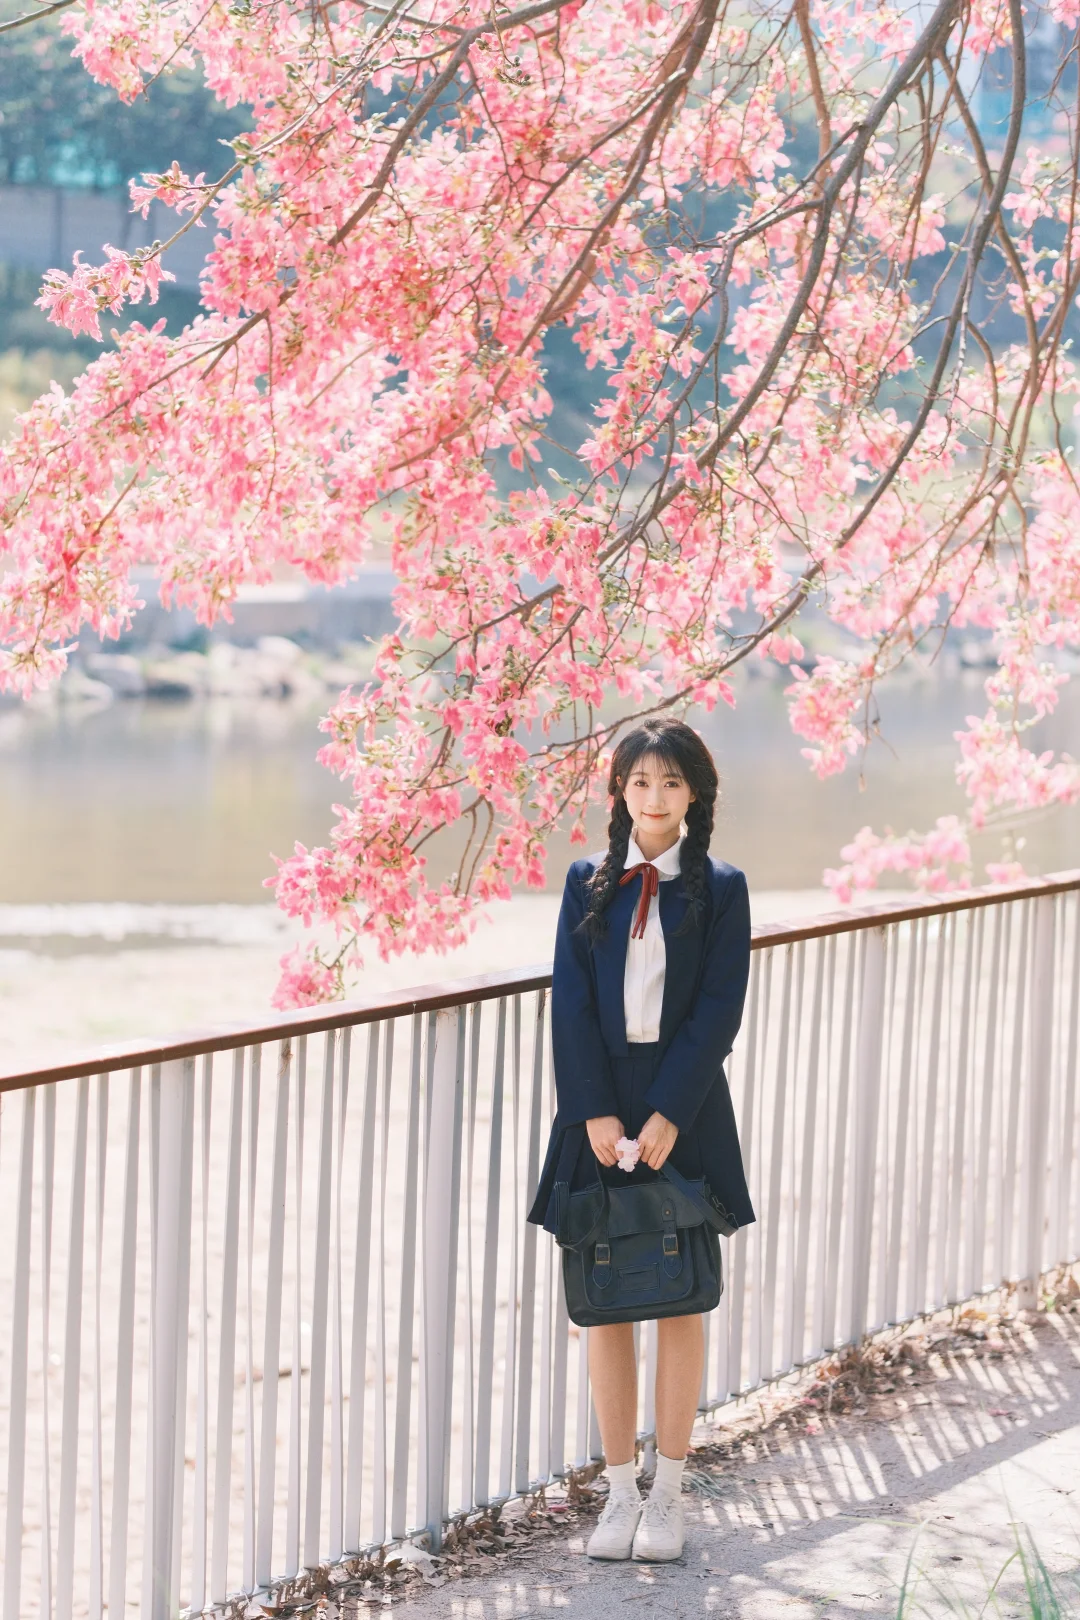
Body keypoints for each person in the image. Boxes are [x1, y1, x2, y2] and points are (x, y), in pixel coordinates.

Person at [527, 716, 755, 1562]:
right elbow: (571, 1004)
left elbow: (718, 1012)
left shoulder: (721, 887)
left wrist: (667, 1114)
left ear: (695, 792)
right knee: (606, 1297)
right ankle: (619, 1491)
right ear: (620, 792)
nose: (654, 799)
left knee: (682, 1295)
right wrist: (592, 1110)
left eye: (670, 782)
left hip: (682, 1102)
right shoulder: (586, 881)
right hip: (599, 1103)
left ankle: (669, 1494)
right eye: (639, 783)